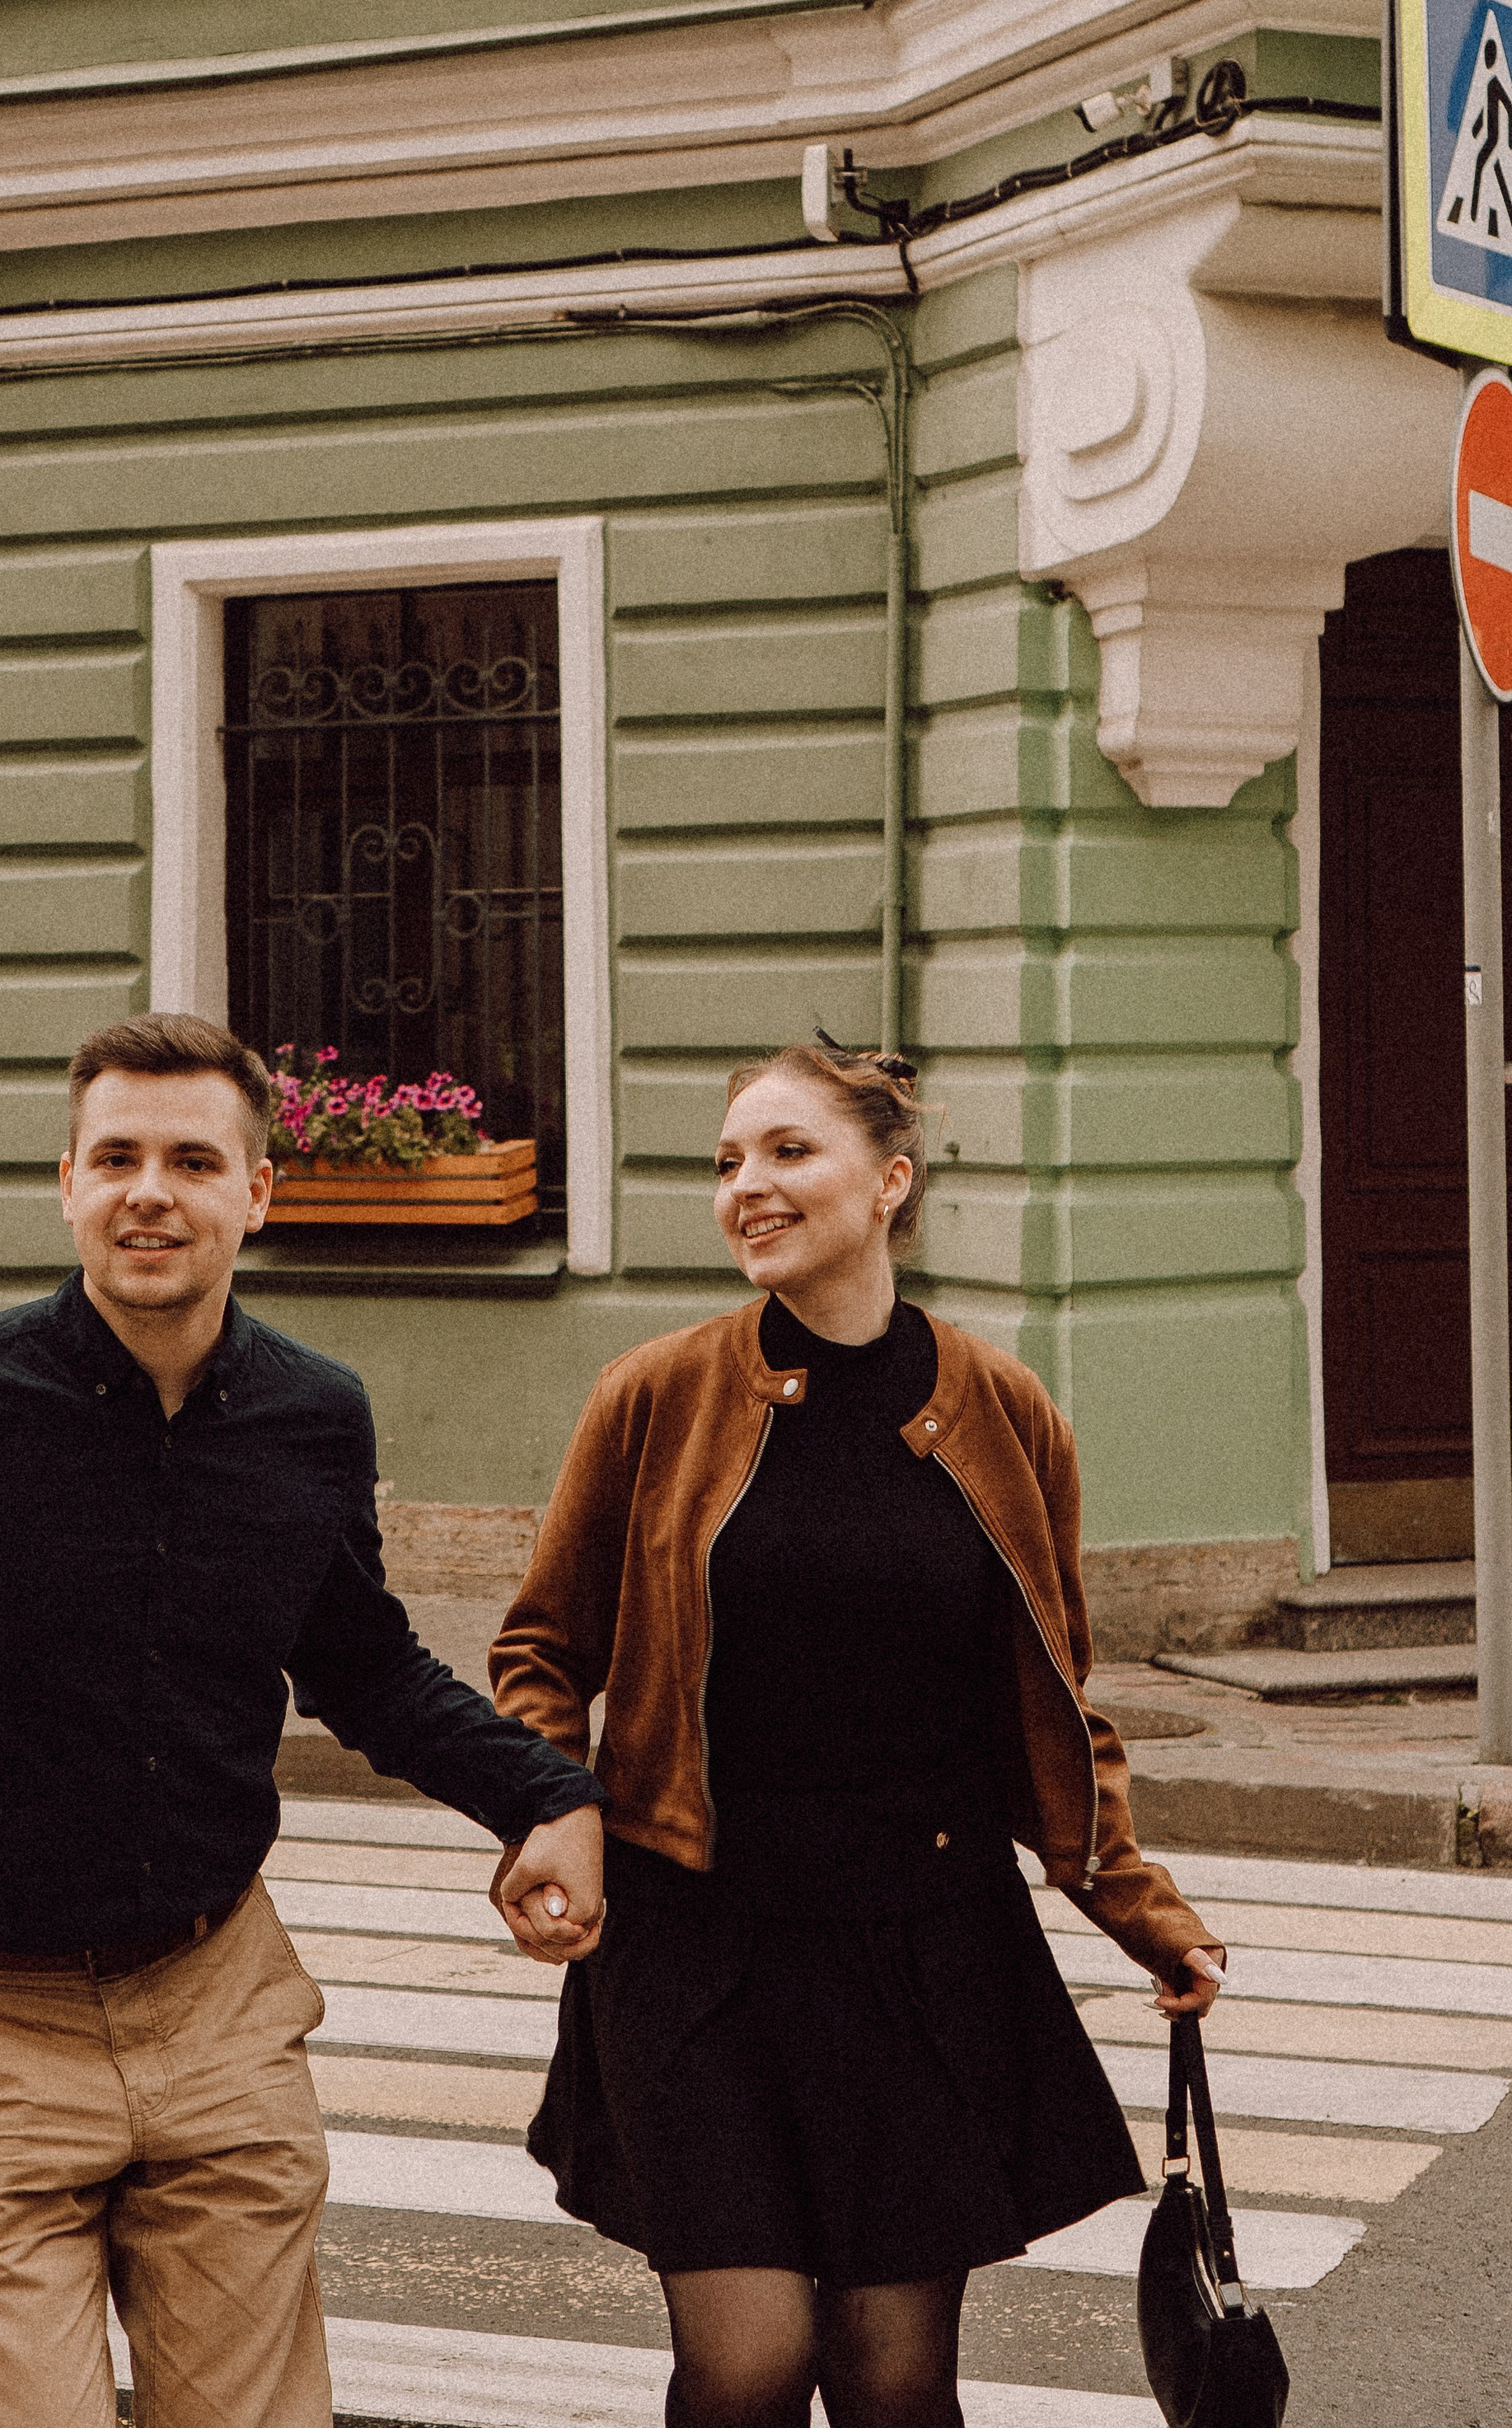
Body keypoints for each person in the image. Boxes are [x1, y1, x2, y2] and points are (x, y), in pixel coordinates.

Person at [0, 1010, 605, 2428]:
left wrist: (548, 1796)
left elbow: (363, 1663)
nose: (150, 1191)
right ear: (66, 1183)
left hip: (217, 2011)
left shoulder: (315, 1415)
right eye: (116, 1157)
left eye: (194, 1160)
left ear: (258, 1193)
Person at [488, 1034, 1227, 2428]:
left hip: (921, 1944)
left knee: (896, 2381)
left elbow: (1057, 1705)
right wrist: (552, 1811)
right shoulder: (654, 1396)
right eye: (726, 1164)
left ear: (889, 1183)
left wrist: (1141, 1909)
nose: (746, 1188)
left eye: (786, 1153)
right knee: (749, 2364)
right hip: (694, 1944)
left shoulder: (1005, 1413)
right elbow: (542, 1651)